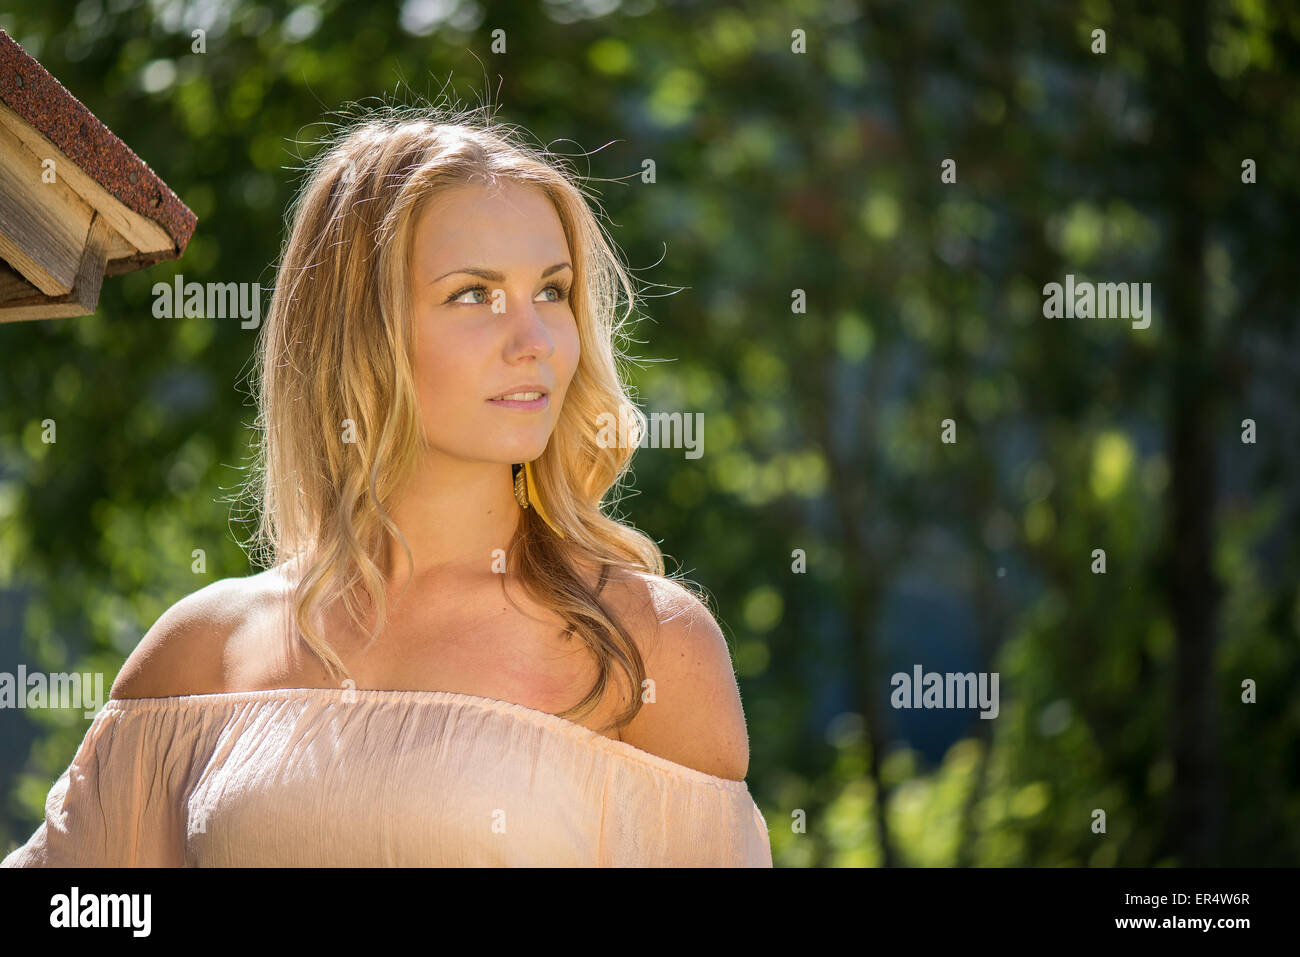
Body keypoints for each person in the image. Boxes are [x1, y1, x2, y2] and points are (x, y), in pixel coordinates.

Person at [1, 104, 772, 867]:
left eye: (553, 290)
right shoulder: (205, 651)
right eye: (474, 294)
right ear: (358, 330)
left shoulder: (647, 648)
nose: (534, 340)